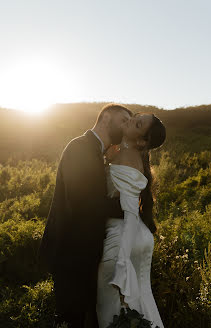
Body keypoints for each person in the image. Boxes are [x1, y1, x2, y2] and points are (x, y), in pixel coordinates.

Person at [37, 103, 132, 328]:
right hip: (71, 256)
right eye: (124, 121)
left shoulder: (98, 152)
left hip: (85, 256)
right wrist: (127, 208)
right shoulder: (79, 147)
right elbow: (84, 203)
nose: (127, 127)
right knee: (73, 319)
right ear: (106, 117)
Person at [96, 113, 166, 328]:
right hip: (140, 236)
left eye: (136, 123)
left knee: (111, 311)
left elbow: (130, 213)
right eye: (136, 116)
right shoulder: (127, 154)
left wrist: (122, 262)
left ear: (142, 141)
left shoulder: (127, 158)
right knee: (143, 301)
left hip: (123, 238)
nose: (129, 120)